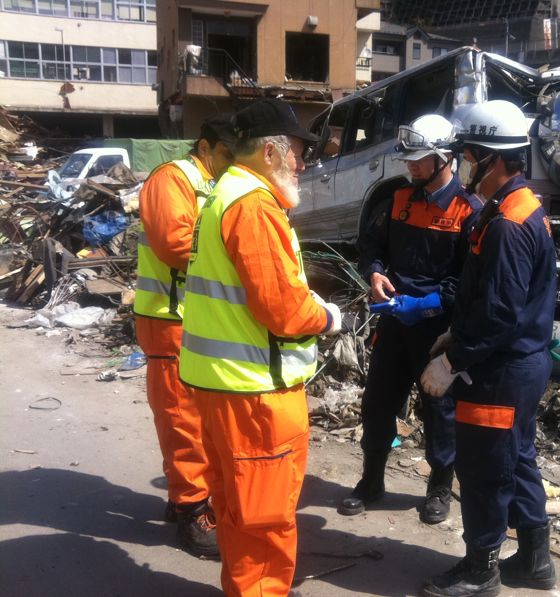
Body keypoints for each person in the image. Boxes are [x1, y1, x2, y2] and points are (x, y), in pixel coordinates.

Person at [178, 98, 341, 595]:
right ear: (270, 152)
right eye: (297, 151)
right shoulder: (254, 205)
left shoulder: (222, 194)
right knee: (264, 522)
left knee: (237, 511)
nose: (303, 162)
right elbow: (283, 311)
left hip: (222, 386)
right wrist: (328, 316)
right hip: (256, 396)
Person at [420, 100, 557, 597]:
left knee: (483, 469)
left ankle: (481, 571)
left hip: (499, 370)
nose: (464, 166)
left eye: (469, 156)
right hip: (518, 363)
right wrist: (455, 334)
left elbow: (499, 314)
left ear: (490, 158)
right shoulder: (516, 208)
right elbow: (496, 301)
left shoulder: (506, 224)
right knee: (518, 459)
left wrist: (452, 361)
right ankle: (535, 561)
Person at [339, 114, 481, 524]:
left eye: (419, 160)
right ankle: (371, 480)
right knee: (378, 401)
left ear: (445, 158)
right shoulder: (397, 201)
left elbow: (470, 283)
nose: (411, 167)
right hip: (395, 325)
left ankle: (439, 488)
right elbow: (371, 248)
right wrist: (375, 273)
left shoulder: (468, 213)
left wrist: (428, 304)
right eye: (409, 160)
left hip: (437, 332)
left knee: (440, 409)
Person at [133, 114, 235, 558]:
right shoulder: (172, 179)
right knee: (182, 419)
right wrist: (237, 251)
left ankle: (186, 498)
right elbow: (175, 246)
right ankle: (192, 511)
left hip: (192, 318)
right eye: (227, 154)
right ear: (205, 146)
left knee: (196, 417)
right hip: (167, 318)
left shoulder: (211, 182)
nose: (233, 163)